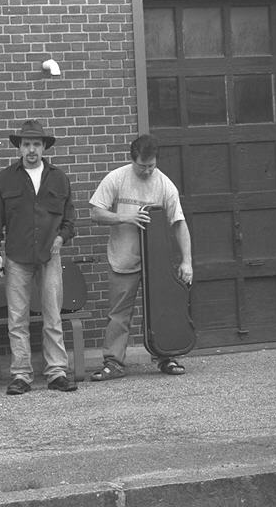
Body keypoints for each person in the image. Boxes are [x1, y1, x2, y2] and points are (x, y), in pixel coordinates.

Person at [0, 120, 78, 395]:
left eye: (36, 144)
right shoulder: (5, 178)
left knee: (53, 316)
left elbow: (70, 220)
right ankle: (21, 375)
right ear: (20, 147)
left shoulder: (59, 178)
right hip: (17, 257)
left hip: (50, 256)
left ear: (44, 147)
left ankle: (57, 373)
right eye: (26, 144)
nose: (31, 150)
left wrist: (60, 239)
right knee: (17, 319)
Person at [88, 134, 193, 380]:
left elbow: (179, 223)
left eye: (151, 166)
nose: (147, 171)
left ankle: (167, 356)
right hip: (123, 259)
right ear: (132, 159)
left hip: (156, 263)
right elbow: (95, 213)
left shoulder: (165, 185)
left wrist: (187, 261)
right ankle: (113, 363)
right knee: (119, 314)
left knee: (162, 309)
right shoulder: (116, 178)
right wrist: (125, 217)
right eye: (142, 166)